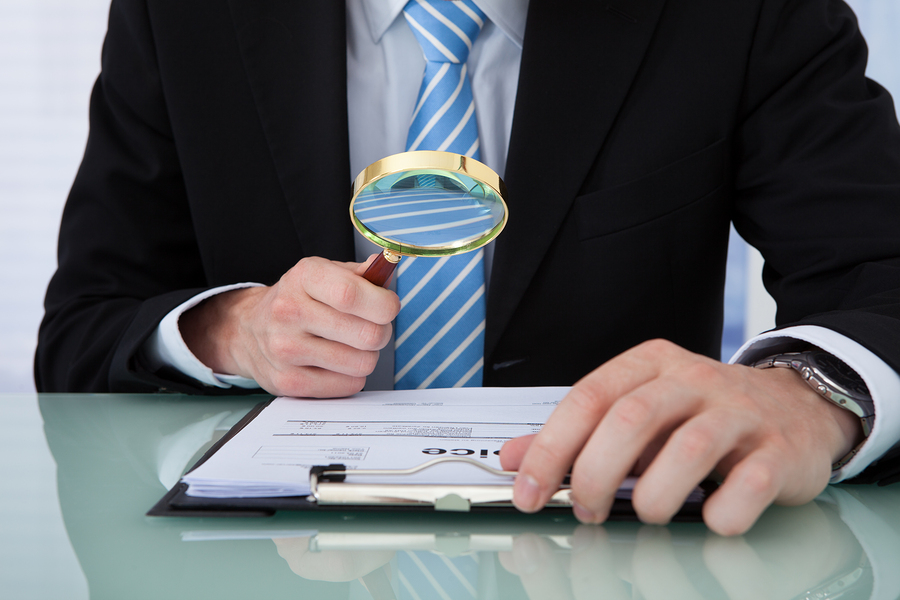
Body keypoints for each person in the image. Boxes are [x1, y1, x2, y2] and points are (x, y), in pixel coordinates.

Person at [36, 0, 900, 536]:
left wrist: (808, 394)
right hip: (274, 550)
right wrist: (231, 330)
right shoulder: (183, 14)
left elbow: (881, 273)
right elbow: (86, 325)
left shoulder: (743, 11)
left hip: (618, 547)